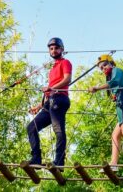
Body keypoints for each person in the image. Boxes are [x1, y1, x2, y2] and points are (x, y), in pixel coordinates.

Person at [26, 37, 72, 166]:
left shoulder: (65, 62)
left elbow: (67, 79)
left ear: (61, 49)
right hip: (50, 101)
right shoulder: (52, 69)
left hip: (60, 99)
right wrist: (39, 106)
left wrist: (52, 88)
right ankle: (36, 158)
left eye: (56, 48)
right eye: (51, 49)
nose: (53, 50)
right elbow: (49, 92)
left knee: (58, 130)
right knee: (31, 127)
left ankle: (59, 161)